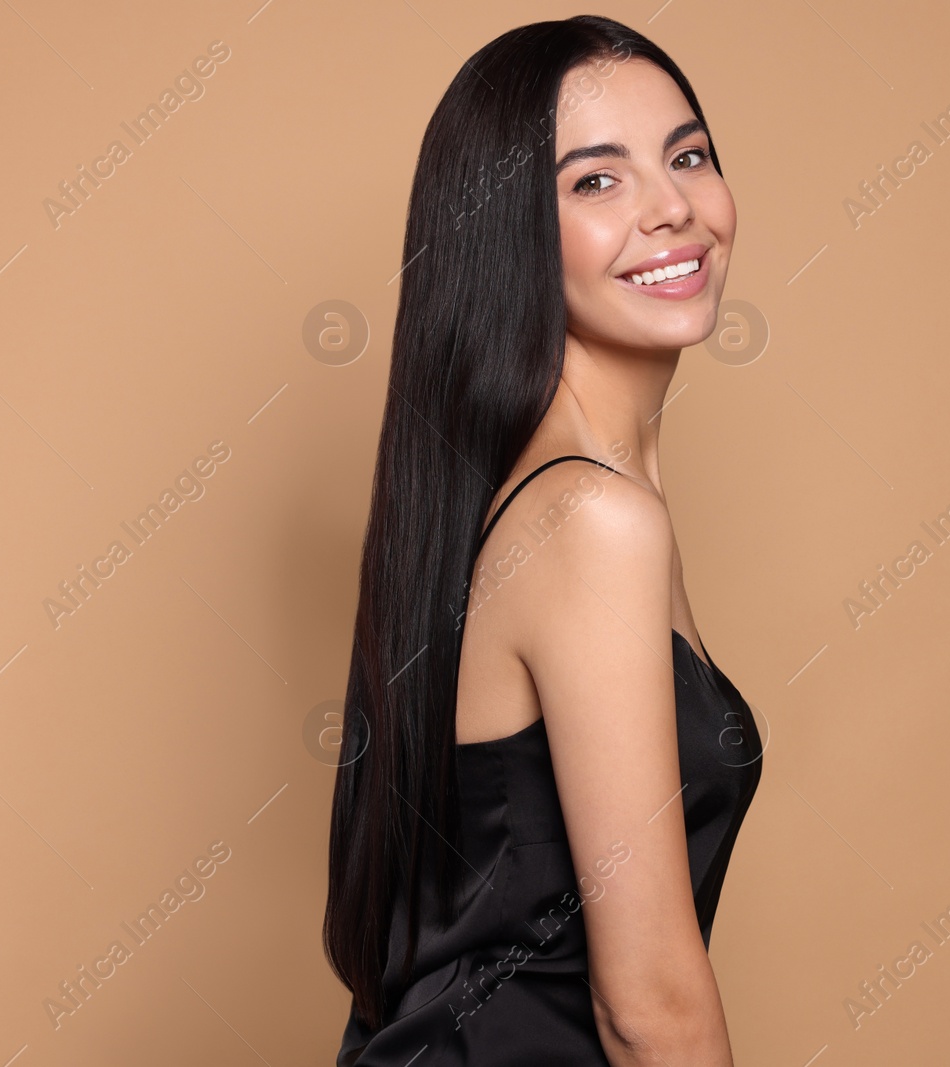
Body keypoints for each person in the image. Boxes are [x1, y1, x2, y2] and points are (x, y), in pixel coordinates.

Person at [325, 15, 762, 1064]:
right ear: (504, 228)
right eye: (595, 181)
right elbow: (646, 1001)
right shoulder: (587, 522)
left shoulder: (550, 499)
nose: (672, 208)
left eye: (688, 155)